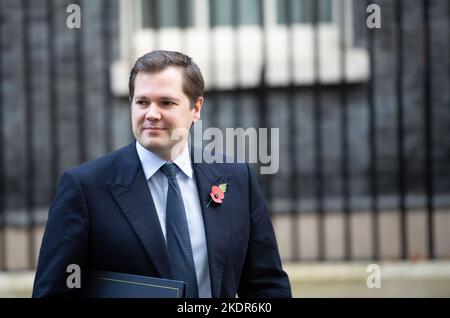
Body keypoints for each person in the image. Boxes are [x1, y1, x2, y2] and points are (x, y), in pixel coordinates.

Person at [32, 50, 291, 298]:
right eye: (142, 102)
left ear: (196, 108)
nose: (151, 114)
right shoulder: (85, 188)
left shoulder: (237, 179)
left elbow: (265, 284)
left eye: (166, 102)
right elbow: (54, 291)